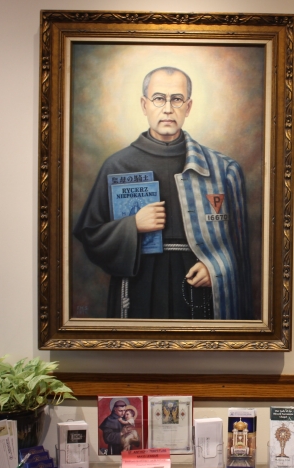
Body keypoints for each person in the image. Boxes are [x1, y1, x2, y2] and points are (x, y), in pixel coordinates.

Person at [73, 66, 252, 320]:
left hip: (195, 282)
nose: (168, 108)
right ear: (144, 105)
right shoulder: (117, 165)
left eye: (176, 99)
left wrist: (216, 270)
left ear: (188, 107)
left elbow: (241, 250)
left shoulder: (223, 169)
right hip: (139, 284)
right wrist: (132, 225)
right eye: (158, 98)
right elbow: (89, 235)